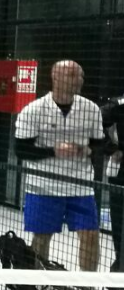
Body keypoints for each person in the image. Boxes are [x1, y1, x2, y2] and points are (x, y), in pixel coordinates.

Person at [15, 60, 108, 270]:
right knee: (42, 238)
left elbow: (100, 144)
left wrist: (88, 150)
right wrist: (54, 151)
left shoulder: (91, 109)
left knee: (91, 235)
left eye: (81, 76)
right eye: (73, 75)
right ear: (55, 77)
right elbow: (21, 150)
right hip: (43, 186)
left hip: (80, 186)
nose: (79, 80)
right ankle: (37, 289)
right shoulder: (34, 110)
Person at [102, 89, 124, 270]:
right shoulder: (119, 105)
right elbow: (94, 123)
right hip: (121, 173)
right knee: (119, 222)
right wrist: (112, 149)